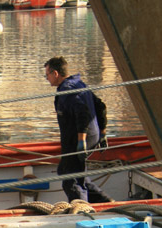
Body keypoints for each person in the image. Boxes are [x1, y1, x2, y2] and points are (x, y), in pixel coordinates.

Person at [44, 56, 112, 203]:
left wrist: (82, 141)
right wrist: (103, 133)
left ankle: (81, 210)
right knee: (70, 171)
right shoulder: (79, 84)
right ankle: (104, 202)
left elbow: (83, 113)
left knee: (71, 179)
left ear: (55, 73)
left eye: (47, 75)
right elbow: (101, 106)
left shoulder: (67, 90)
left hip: (79, 139)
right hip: (90, 136)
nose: (47, 78)